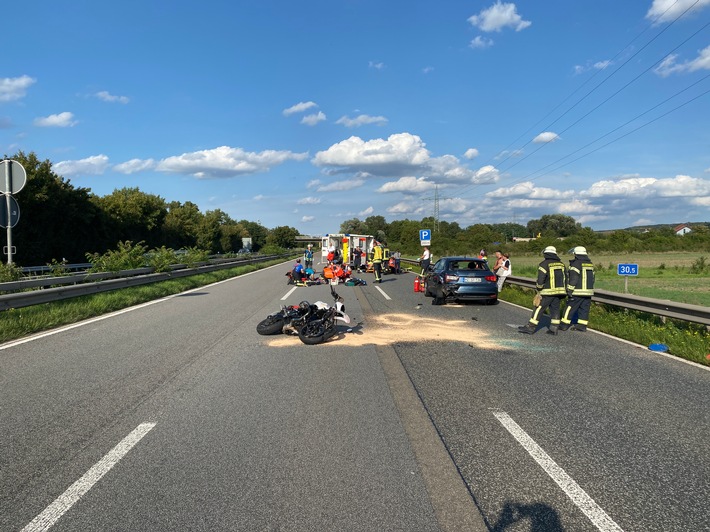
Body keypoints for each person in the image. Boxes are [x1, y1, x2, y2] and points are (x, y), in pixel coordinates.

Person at [519, 246, 567, 335]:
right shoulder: (561, 264)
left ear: (546, 254)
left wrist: (539, 288)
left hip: (547, 292)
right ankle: (554, 328)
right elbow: (565, 277)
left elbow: (541, 280)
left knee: (539, 308)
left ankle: (531, 327)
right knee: (555, 309)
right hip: (559, 292)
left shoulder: (544, 264)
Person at [560, 246, 595, 332]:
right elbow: (593, 277)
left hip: (577, 292)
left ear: (576, 254)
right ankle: (582, 326)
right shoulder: (590, 263)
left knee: (570, 307)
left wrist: (569, 290)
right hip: (588, 292)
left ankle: (564, 325)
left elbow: (573, 278)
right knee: (584, 309)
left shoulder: (576, 264)